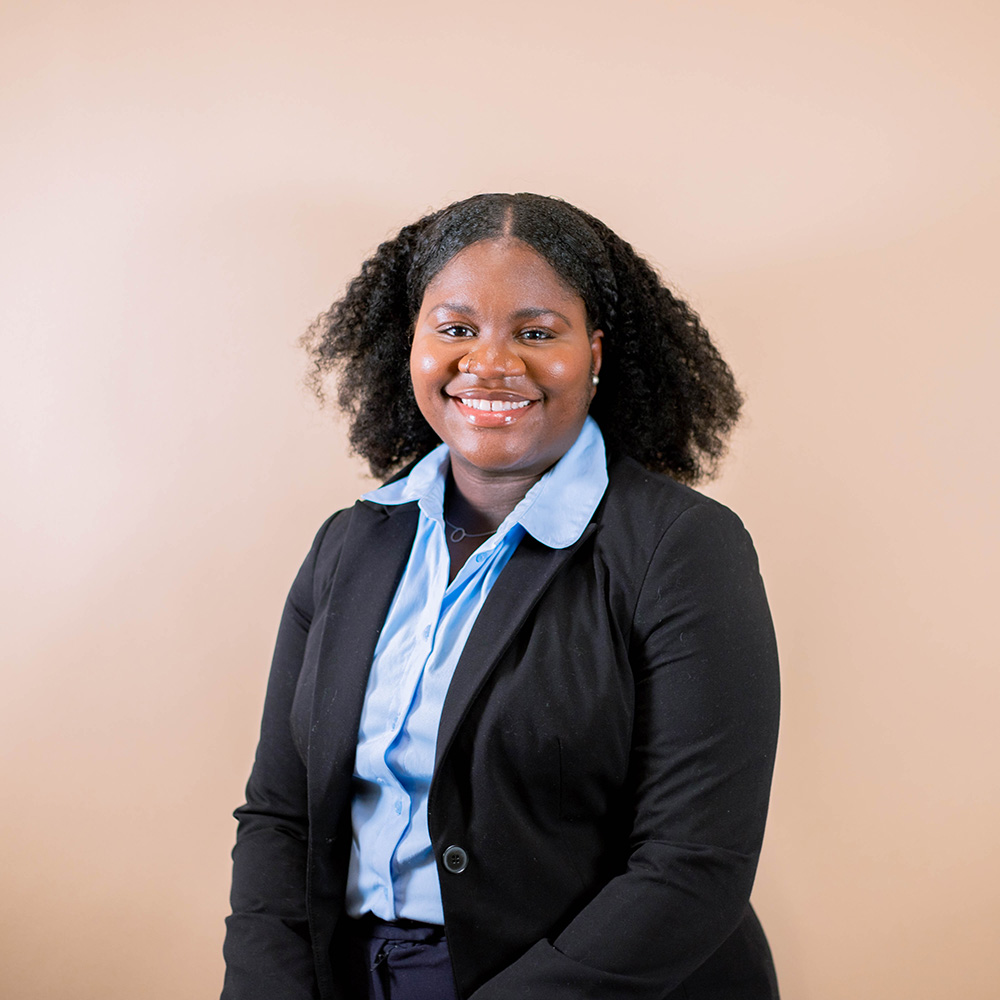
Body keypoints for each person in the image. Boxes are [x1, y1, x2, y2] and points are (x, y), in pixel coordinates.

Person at [221, 193, 781, 1000]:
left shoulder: (684, 550)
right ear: (411, 345)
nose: (489, 363)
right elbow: (282, 814)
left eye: (536, 333)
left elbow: (693, 866)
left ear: (594, 352)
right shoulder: (350, 544)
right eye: (454, 329)